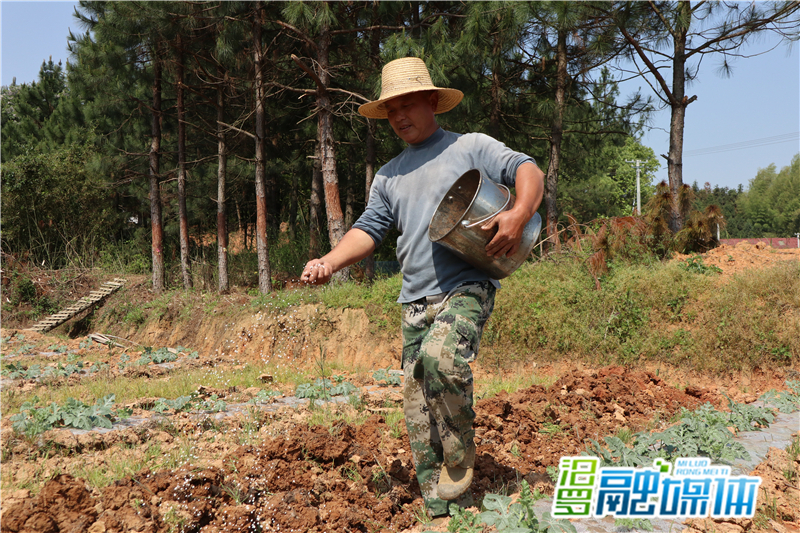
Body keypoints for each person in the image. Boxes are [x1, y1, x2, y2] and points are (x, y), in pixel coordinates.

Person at [301, 57, 544, 517]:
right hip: (414, 302)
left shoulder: (470, 147)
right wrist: (328, 262)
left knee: (442, 358)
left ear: (432, 101)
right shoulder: (389, 175)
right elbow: (369, 230)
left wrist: (519, 213)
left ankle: (460, 453)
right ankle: (447, 513)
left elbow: (528, 170)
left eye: (407, 105)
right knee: (418, 413)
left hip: (467, 283)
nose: (399, 117)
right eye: (390, 111)